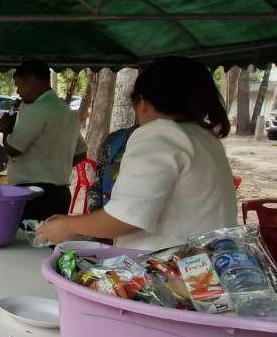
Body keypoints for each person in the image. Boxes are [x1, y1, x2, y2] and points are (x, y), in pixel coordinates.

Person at [34, 58, 238, 251]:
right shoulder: (204, 138)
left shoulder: (159, 135)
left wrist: (68, 225)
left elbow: (126, 217)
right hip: (211, 263)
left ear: (143, 103)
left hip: (172, 269)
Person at [0, 60, 86, 220]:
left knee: (28, 236)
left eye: (19, 85)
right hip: (60, 192)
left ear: (31, 80)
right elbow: (81, 153)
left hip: (35, 194)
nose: (18, 92)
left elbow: (13, 149)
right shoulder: (65, 110)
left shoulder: (36, 109)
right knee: (52, 237)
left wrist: (5, 129)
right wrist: (55, 167)